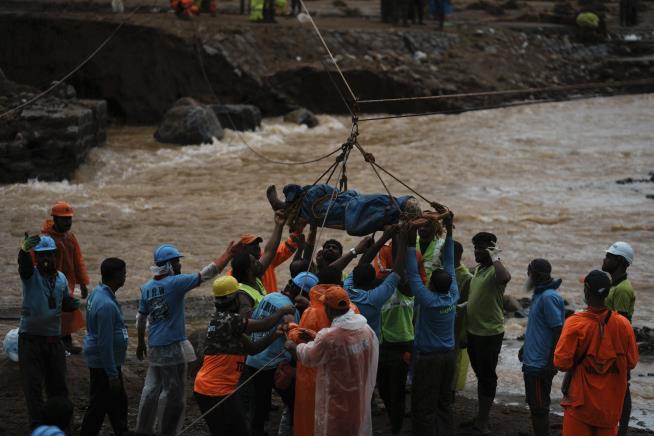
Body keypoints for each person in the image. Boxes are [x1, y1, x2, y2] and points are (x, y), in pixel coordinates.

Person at [134, 241, 236, 436]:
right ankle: (167, 431)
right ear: (169, 265)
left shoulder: (147, 287)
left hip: (154, 345)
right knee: (174, 394)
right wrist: (228, 254)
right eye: (177, 263)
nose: (180, 267)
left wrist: (140, 342)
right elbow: (208, 273)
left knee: (151, 388)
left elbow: (141, 318)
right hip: (172, 346)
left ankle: (143, 429)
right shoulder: (175, 283)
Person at [193, 276, 294, 436]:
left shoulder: (222, 322)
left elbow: (253, 349)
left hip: (214, 389)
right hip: (215, 391)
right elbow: (262, 326)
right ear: (234, 299)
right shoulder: (230, 320)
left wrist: (275, 335)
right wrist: (282, 310)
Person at [554, 270, 639, 436]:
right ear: (608, 293)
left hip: (580, 407)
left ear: (586, 291)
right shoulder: (624, 325)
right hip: (609, 409)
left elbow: (561, 363)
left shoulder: (575, 323)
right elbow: (632, 362)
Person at [285, 286, 379, 436]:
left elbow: (309, 357)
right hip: (357, 399)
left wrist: (292, 345)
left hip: (337, 403)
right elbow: (341, 348)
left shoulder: (329, 337)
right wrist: (316, 338)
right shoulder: (366, 330)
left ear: (328, 308)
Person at [400, 213, 459, 435]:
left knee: (423, 403)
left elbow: (413, 273)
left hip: (428, 358)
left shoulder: (427, 299)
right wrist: (450, 231)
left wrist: (408, 239)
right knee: (444, 401)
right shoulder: (453, 294)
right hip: (448, 357)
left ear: (431, 285)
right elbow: (450, 262)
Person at [18, 235, 80, 429]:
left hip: (54, 340)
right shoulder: (30, 276)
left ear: (56, 255)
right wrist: (23, 251)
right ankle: (37, 427)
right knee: (33, 388)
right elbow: (25, 266)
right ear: (35, 258)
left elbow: (64, 301)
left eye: (49, 255)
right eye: (41, 256)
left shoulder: (61, 278)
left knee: (58, 386)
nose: (45, 260)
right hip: (30, 341)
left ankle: (62, 425)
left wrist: (72, 304)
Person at [463, 231, 511, 435]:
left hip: (489, 333)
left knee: (487, 377)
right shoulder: (480, 270)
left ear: (491, 250)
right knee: (480, 374)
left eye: (481, 248)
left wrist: (495, 256)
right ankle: (480, 416)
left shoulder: (495, 271)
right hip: (473, 331)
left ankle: (483, 422)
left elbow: (505, 277)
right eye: (475, 247)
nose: (476, 251)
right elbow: (476, 294)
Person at [242, 275, 303, 436]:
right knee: (294, 401)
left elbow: (255, 320)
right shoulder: (291, 310)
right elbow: (293, 337)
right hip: (272, 363)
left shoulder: (270, 295)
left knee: (261, 403)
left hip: (254, 359)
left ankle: (258, 430)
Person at [266, 184, 445, 236]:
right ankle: (283, 205)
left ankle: (283, 205)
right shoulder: (312, 202)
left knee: (354, 225)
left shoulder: (311, 204)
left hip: (351, 206)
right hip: (350, 205)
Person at [81, 258, 129, 436]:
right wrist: (112, 374)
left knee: (109, 405)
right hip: (104, 365)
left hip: (102, 363)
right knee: (103, 406)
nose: (126, 276)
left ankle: (120, 430)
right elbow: (105, 342)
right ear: (116, 276)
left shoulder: (98, 293)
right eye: (124, 273)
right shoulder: (106, 305)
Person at [520, 259, 565, 436]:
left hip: (540, 364)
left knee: (539, 407)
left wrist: (550, 362)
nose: (527, 275)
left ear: (536, 275)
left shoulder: (548, 297)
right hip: (532, 360)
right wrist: (524, 347)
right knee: (534, 403)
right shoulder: (539, 295)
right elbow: (537, 327)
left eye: (529, 271)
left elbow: (558, 330)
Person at [41, 200, 89, 354]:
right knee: (52, 312)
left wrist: (83, 283)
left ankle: (66, 341)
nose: (68, 222)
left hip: (67, 283)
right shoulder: (47, 239)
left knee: (67, 312)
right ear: (55, 219)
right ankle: (55, 343)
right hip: (49, 283)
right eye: (64, 219)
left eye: (69, 219)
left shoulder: (70, 237)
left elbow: (78, 260)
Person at [602, 241, 635, 436]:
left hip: (617, 348)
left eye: (609, 257)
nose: (605, 259)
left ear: (621, 261)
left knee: (622, 388)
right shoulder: (614, 285)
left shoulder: (622, 289)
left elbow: (621, 325)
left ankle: (621, 430)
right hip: (610, 346)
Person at [343, 227, 402, 338]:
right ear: (372, 282)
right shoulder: (374, 299)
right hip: (370, 347)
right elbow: (397, 271)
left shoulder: (346, 288)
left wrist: (383, 238)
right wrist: (398, 238)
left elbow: (362, 262)